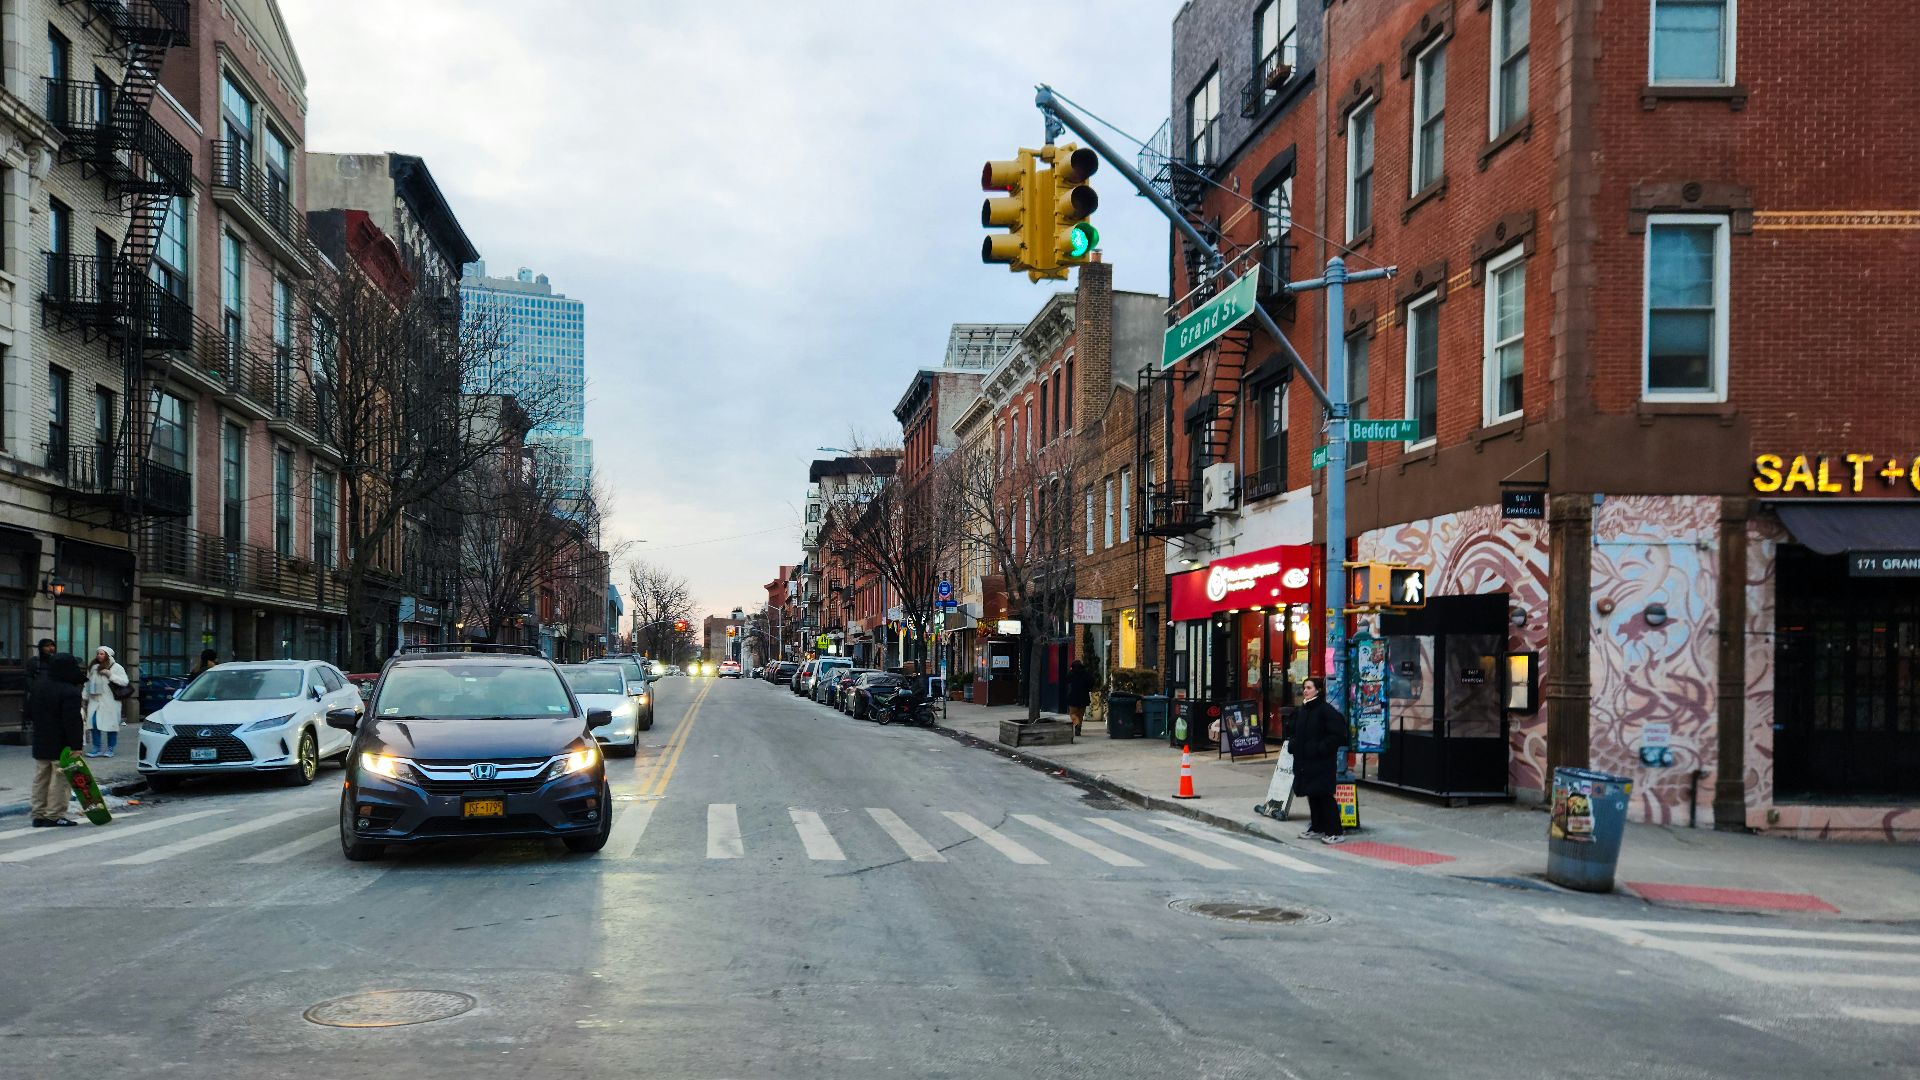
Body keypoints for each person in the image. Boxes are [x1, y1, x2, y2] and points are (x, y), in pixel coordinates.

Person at [26, 653, 85, 827]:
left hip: (41, 738)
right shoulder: (70, 691)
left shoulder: (38, 685)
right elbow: (72, 722)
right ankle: (54, 815)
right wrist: (76, 746)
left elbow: (28, 712)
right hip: (62, 742)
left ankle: (38, 814)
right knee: (60, 779)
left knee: (41, 777)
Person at [1289, 677, 1348, 845]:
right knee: (1312, 794)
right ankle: (1317, 827)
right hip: (1306, 761)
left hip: (1321, 762)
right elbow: (1294, 732)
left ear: (1318, 690)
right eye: (1304, 688)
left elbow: (1337, 735)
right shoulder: (1304, 709)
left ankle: (1335, 831)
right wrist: (1293, 745)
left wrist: (1320, 748)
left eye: (1308, 688)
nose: (1305, 691)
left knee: (1324, 796)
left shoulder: (1325, 710)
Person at [83, 646, 129, 758]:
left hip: (110, 702)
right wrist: (84, 697)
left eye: (102, 653)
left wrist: (110, 675)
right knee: (94, 724)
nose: (99, 655)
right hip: (95, 701)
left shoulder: (116, 667)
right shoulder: (93, 667)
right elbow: (88, 683)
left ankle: (110, 748)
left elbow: (124, 682)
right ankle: (96, 748)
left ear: (107, 655)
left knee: (111, 726)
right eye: (98, 653)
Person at [1066, 659, 1093, 736]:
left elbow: (1066, 680)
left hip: (1073, 697)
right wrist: (1088, 688)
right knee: (1080, 714)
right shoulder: (1086, 673)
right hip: (1083, 697)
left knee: (1072, 713)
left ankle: (1077, 724)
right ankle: (1078, 728)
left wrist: (1070, 671)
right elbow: (1092, 681)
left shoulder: (1072, 673)